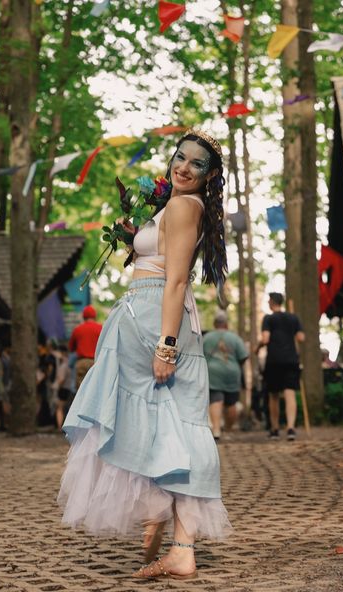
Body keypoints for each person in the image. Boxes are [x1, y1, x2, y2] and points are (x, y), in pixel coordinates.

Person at [58, 130, 232, 580]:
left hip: (159, 322)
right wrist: (139, 232)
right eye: (180, 157)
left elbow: (175, 281)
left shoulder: (182, 205)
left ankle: (177, 540)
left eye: (197, 164)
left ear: (210, 176)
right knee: (164, 423)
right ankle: (168, 529)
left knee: (178, 425)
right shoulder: (175, 206)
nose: (184, 168)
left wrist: (166, 346)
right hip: (143, 315)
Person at [256, 292, 305, 441]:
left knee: (274, 395)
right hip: (291, 360)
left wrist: (257, 348)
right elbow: (301, 338)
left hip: (274, 361)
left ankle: (275, 429)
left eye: (269, 300)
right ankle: (291, 428)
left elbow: (265, 339)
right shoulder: (293, 318)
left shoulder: (268, 318)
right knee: (290, 393)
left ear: (272, 302)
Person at [203, 310, 249, 440]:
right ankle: (228, 428)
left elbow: (199, 355)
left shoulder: (206, 338)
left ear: (214, 323)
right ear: (226, 324)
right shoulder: (235, 338)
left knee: (215, 399)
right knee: (231, 403)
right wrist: (236, 366)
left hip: (213, 372)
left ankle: (217, 430)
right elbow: (244, 356)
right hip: (232, 372)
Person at [68, 305, 102, 389]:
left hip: (81, 362)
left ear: (83, 317)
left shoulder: (78, 329)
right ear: (95, 316)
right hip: (96, 363)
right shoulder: (101, 328)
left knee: (80, 390)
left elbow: (71, 348)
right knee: (95, 389)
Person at [54, 345, 73, 429]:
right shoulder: (70, 365)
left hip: (63, 388)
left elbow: (61, 379)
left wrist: (57, 385)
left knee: (59, 408)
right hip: (69, 388)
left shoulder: (63, 365)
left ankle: (59, 426)